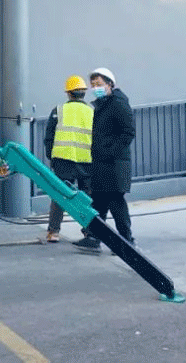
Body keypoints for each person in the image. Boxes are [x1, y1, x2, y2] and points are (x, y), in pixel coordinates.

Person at [73, 67, 136, 252]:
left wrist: (109, 151)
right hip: (102, 164)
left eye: (99, 84)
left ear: (110, 84)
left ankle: (127, 240)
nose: (95, 88)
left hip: (114, 164)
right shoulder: (103, 103)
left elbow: (128, 132)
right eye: (93, 85)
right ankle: (94, 237)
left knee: (116, 202)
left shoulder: (118, 103)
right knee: (98, 202)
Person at [43, 75, 93, 243]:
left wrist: (51, 157)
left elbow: (49, 137)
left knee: (60, 196)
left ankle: (53, 232)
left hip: (63, 160)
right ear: (83, 93)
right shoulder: (92, 112)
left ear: (69, 94)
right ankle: (89, 231)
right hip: (87, 161)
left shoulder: (58, 111)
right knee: (87, 197)